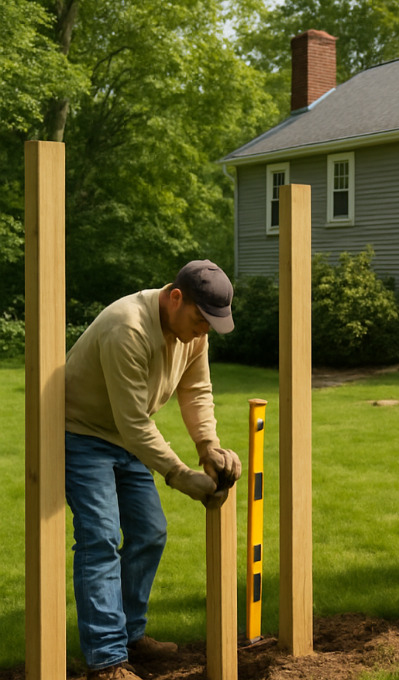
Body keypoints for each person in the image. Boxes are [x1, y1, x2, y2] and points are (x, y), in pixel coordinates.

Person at [64, 260, 242, 680]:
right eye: (201, 320)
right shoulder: (127, 327)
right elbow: (134, 423)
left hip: (127, 437)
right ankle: (107, 660)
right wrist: (182, 477)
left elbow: (196, 389)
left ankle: (129, 636)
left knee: (149, 531)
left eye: (211, 325)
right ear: (175, 297)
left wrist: (208, 447)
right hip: (83, 434)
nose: (203, 331)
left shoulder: (192, 333)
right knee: (101, 537)